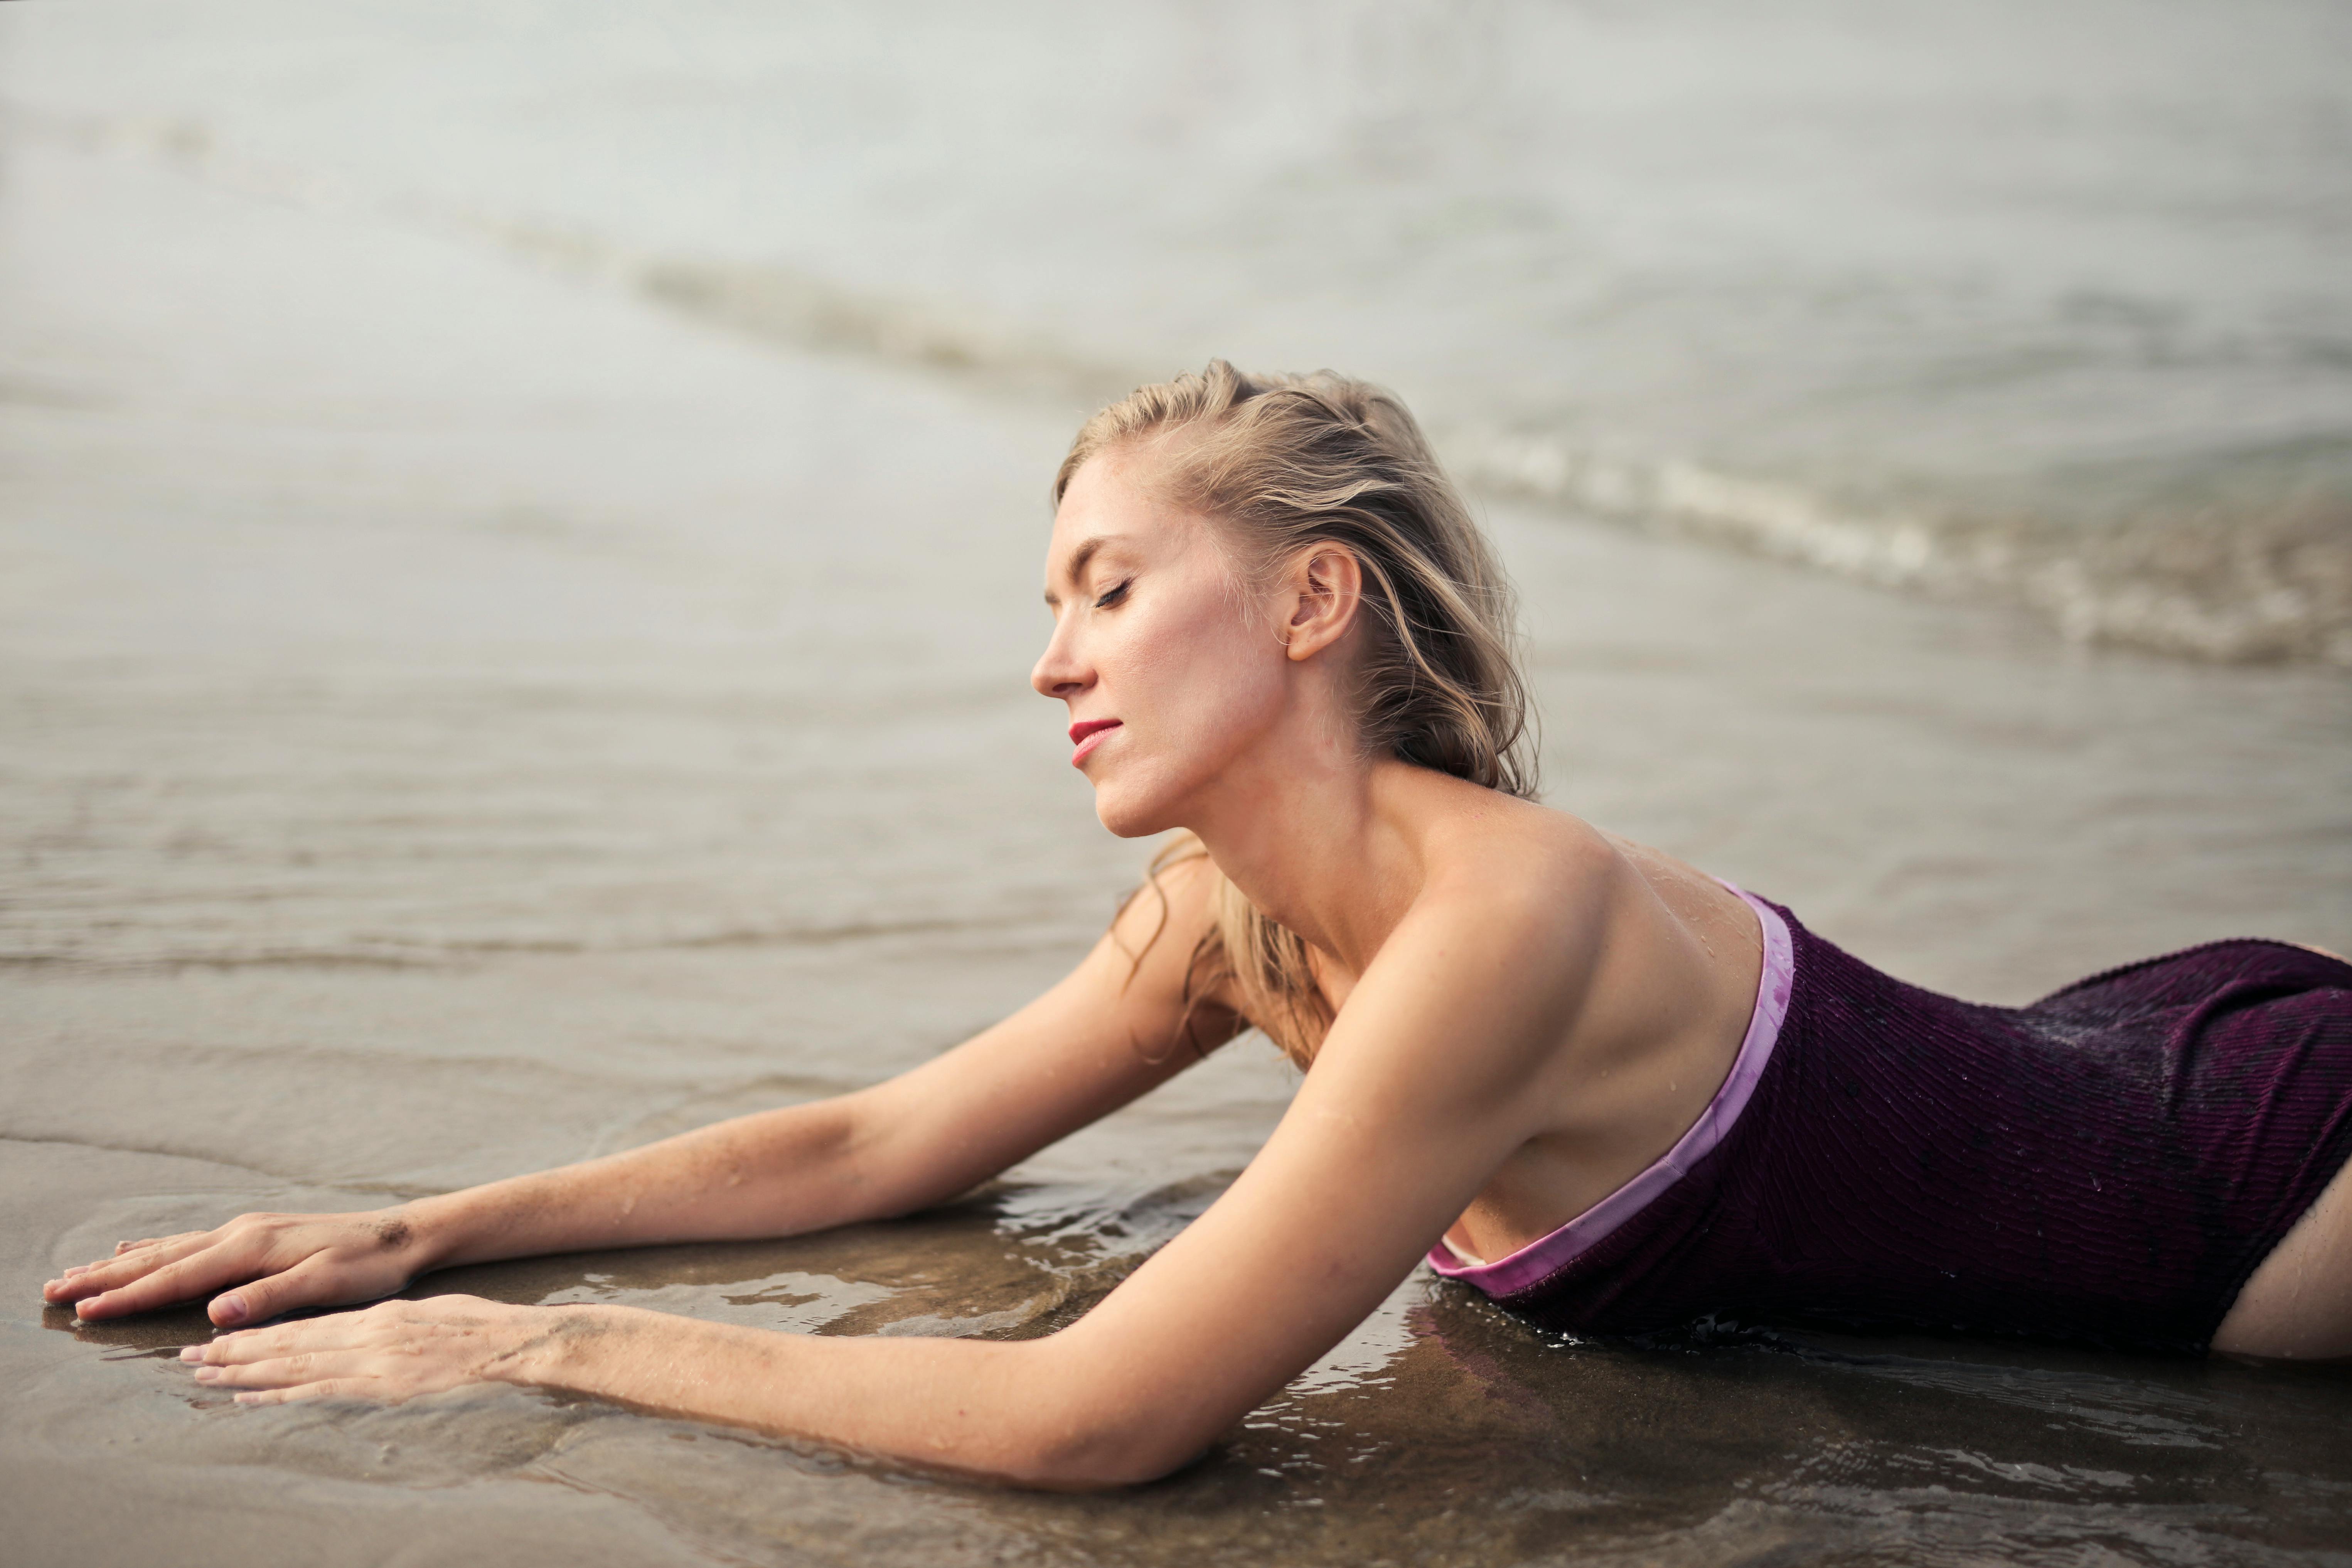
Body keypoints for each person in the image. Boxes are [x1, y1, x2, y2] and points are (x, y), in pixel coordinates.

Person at [43, 364, 2352, 1488]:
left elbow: (1096, 1416)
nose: (1051, 655)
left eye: (1107, 587)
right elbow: (879, 1145)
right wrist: (429, 1231)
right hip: (2097, 1048)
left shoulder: (1504, 918)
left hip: (2263, 1178)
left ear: (1313, 601)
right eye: (1049, 598)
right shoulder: (1228, 918)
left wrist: (544, 1352)